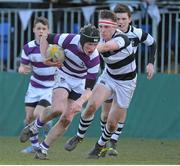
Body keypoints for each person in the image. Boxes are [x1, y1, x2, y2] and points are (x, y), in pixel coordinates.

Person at [19, 24, 100, 160]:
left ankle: (43, 149)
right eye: (89, 44)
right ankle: (35, 126)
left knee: (66, 119)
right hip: (63, 76)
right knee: (57, 109)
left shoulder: (94, 59)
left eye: (95, 44)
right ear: (82, 40)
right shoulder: (68, 39)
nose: (92, 48)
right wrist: (45, 57)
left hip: (80, 83)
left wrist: (80, 102)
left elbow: (89, 89)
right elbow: (45, 37)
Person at [64, 9, 137, 159]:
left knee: (111, 124)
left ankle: (99, 146)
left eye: (107, 27)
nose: (103, 30)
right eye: (101, 26)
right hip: (109, 76)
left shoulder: (122, 38)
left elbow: (107, 47)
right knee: (91, 106)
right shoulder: (95, 38)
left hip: (126, 83)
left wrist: (86, 47)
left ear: (115, 26)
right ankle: (79, 137)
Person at [99, 4, 156, 156]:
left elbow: (152, 43)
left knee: (120, 110)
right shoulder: (106, 33)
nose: (121, 22)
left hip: (127, 78)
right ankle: (102, 143)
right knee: (105, 114)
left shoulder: (137, 33)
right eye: (117, 19)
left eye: (124, 18)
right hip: (109, 75)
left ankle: (113, 143)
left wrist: (150, 63)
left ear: (130, 19)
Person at [18, 16, 56, 153]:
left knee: (37, 113)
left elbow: (62, 63)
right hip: (34, 86)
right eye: (38, 28)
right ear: (34, 30)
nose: (41, 31)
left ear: (48, 31)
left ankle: (45, 135)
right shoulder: (28, 47)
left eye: (44, 29)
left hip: (51, 86)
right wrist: (22, 69)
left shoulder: (53, 48)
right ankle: (34, 146)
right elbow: (22, 66)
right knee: (28, 118)